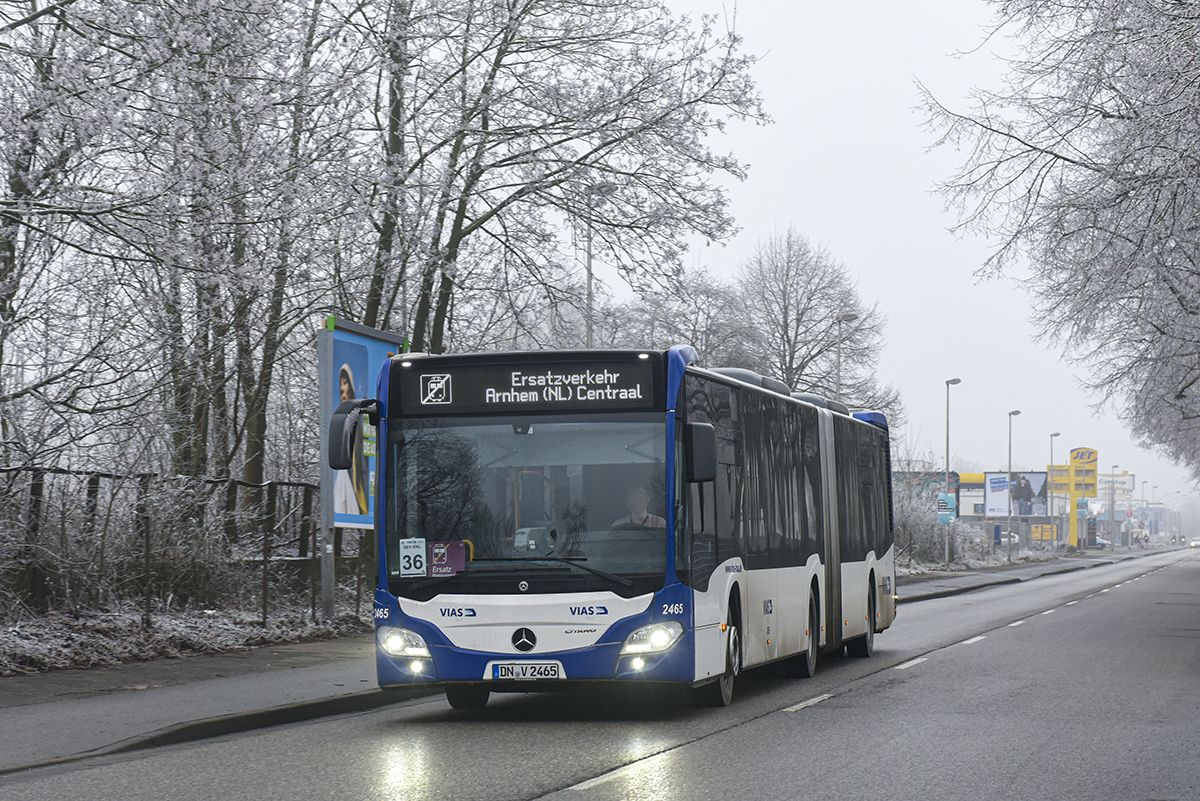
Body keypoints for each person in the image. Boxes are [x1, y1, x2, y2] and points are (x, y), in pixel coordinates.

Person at [333, 363, 370, 515]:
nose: (342, 390)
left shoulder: (366, 416)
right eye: (340, 386)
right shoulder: (344, 425)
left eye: (345, 383)